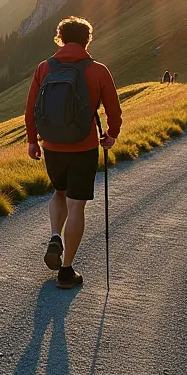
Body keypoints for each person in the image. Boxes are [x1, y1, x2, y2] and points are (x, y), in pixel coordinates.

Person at [24, 16, 122, 289]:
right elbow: (114, 111)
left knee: (59, 192)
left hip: (52, 145)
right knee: (76, 204)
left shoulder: (44, 68)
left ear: (60, 38)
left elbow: (31, 109)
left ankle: (55, 235)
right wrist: (111, 135)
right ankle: (66, 271)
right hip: (84, 146)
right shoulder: (98, 70)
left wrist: (33, 141)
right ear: (87, 40)